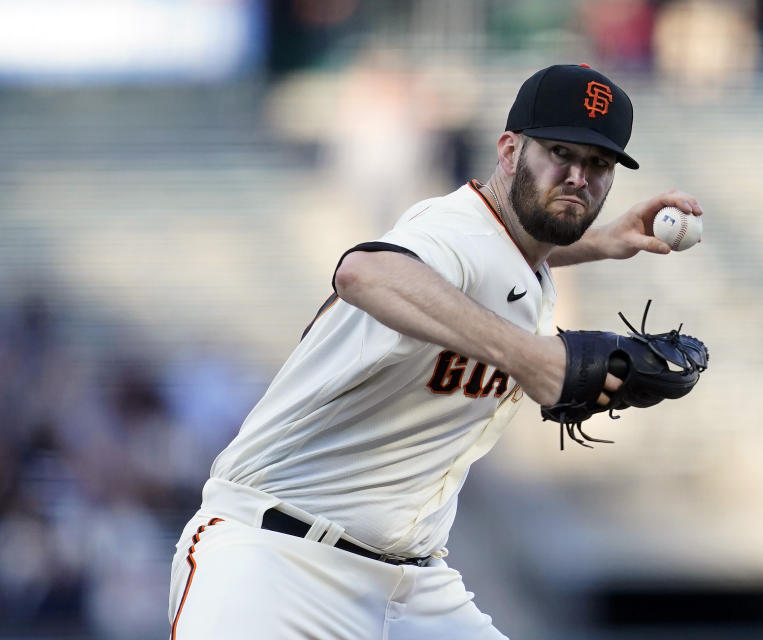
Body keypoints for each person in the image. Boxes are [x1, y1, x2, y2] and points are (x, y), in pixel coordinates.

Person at [167, 63, 704, 640]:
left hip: (412, 587)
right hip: (277, 563)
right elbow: (363, 271)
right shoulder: (449, 229)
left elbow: (505, 259)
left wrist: (604, 240)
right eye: (559, 152)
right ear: (508, 151)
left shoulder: (511, 256)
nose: (577, 176)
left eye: (598, 164)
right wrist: (533, 358)